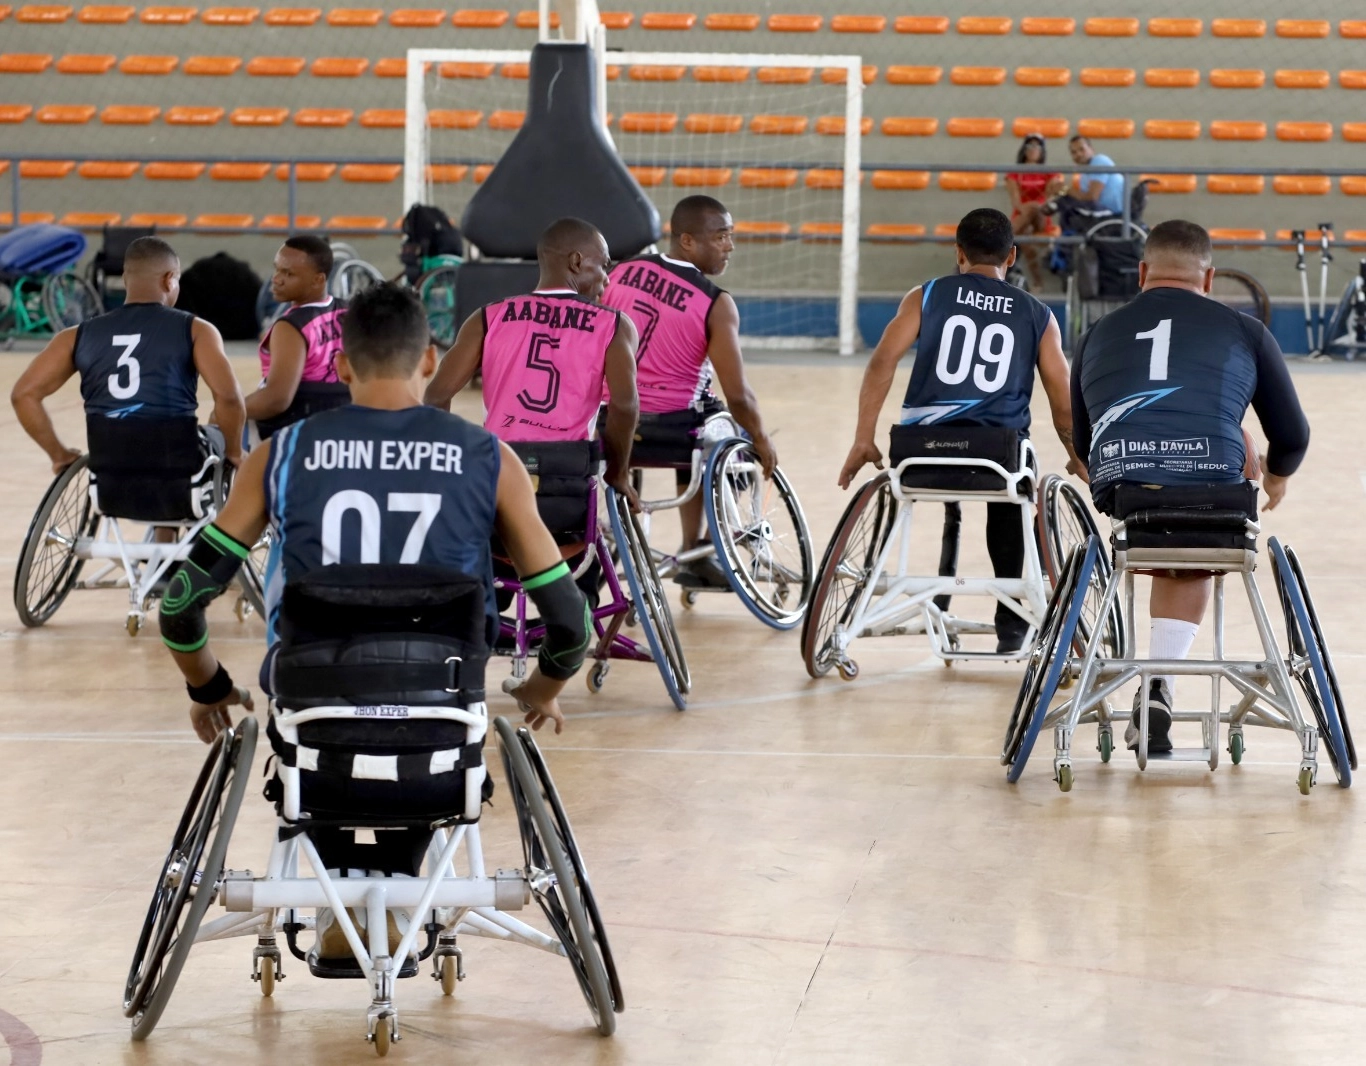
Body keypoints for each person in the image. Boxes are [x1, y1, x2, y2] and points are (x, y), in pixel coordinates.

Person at [158, 282, 588, 745]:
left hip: (314, 710)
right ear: (428, 360)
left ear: (342, 365)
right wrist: (542, 687)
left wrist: (210, 686)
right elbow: (570, 623)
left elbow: (180, 605)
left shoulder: (277, 456)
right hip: (444, 710)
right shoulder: (491, 459)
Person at [1071, 219, 1310, 753]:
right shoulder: (1245, 329)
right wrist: (1273, 474)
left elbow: (1083, 444)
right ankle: (1162, 683)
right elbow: (1292, 435)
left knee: (1166, 517)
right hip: (1212, 489)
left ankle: (1156, 689)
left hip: (1124, 489)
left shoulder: (1094, 334)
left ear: (1141, 272)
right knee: (1207, 507)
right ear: (1209, 278)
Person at [837, 208, 1085, 653]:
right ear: (1012, 256)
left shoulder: (925, 295)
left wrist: (863, 437)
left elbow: (882, 361)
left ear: (958, 254)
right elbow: (1061, 400)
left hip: (917, 454)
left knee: (932, 480)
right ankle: (1012, 625)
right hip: (996, 456)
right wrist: (1075, 451)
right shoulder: (1038, 314)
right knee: (1014, 493)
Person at [600, 194, 779, 589]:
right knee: (728, 429)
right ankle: (703, 549)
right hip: (677, 431)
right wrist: (763, 439)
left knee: (662, 424)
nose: (729, 245)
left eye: (730, 236)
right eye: (721, 236)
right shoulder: (715, 302)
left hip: (610, 424)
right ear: (687, 241)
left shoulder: (617, 273)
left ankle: (619, 538)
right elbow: (740, 396)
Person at [424, 217, 639, 497]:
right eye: (603, 265)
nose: (607, 278)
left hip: (501, 466)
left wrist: (446, 465)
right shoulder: (614, 324)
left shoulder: (488, 317)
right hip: (569, 470)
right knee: (571, 532)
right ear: (576, 262)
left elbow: (436, 396)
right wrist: (618, 474)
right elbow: (625, 404)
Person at [11, 235, 245, 475]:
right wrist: (235, 453)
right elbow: (228, 398)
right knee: (219, 428)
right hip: (176, 466)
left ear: (125, 279)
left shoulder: (75, 336)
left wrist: (59, 455)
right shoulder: (197, 330)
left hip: (109, 468)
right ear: (169, 280)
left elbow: (23, 395)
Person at [246, 235, 349, 440]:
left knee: (228, 415)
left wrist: (227, 409)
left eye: (288, 273)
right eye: (277, 269)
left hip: (295, 430)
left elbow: (277, 400)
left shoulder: (290, 328)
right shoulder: (349, 311)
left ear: (318, 279)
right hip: (344, 423)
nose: (276, 279)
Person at [1006, 134, 1061, 291]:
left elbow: (1050, 197)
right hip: (1022, 217)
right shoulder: (1015, 173)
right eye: (1029, 146)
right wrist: (1028, 207)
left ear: (1042, 151)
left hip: (1041, 217)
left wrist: (1033, 206)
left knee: (1035, 208)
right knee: (1025, 240)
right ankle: (1037, 282)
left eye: (1037, 146)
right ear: (1024, 150)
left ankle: (1004, 236)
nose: (1033, 150)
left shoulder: (1049, 172)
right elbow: (1015, 201)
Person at [1045, 135, 1125, 217]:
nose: (1078, 154)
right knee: (1066, 204)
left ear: (1091, 149)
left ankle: (1052, 207)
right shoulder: (1083, 176)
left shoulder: (1099, 160)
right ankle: (1051, 206)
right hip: (1101, 211)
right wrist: (1060, 191)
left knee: (1065, 202)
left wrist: (1065, 189)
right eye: (1074, 152)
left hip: (1116, 213)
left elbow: (1092, 197)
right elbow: (1081, 197)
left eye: (1081, 149)